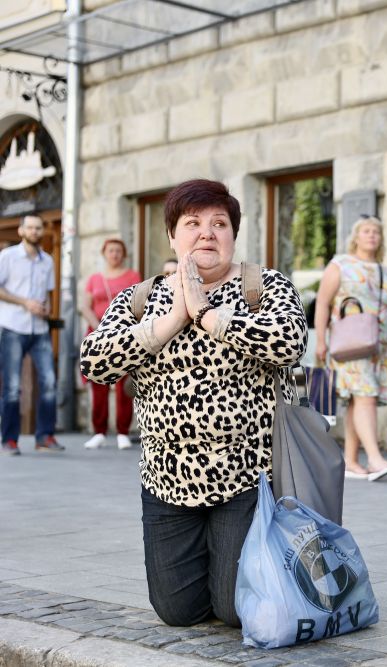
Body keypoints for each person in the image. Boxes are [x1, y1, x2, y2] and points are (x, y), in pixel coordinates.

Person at [80, 179, 307, 627]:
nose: (207, 232)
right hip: (166, 480)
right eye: (193, 223)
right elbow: (94, 362)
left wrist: (208, 315)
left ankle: (229, 568)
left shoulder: (263, 286)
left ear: (233, 235)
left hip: (248, 477)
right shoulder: (140, 299)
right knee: (177, 612)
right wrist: (173, 318)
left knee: (235, 609)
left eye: (219, 223)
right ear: (172, 236)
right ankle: (214, 561)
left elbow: (289, 342)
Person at [314, 216, 387, 482]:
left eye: (376, 231)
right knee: (366, 397)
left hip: (379, 346)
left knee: (358, 400)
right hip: (350, 344)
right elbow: (322, 303)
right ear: (356, 237)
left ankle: (351, 462)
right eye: (366, 231)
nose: (372, 235)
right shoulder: (341, 265)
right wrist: (320, 340)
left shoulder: (385, 271)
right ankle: (375, 458)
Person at [0, 215, 63, 455]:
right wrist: (24, 302)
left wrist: (45, 309)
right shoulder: (7, 256)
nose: (34, 231)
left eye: (38, 228)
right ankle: (9, 440)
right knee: (12, 386)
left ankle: (45, 437)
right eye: (30, 228)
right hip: (13, 326)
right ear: (21, 231)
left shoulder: (47, 260)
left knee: (49, 382)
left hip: (40, 329)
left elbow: (47, 293)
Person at [80, 238, 142, 450]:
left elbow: (138, 304)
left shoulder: (133, 276)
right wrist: (99, 327)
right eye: (111, 250)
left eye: (118, 251)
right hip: (98, 334)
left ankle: (123, 432)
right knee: (98, 382)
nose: (114, 254)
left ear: (123, 254)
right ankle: (99, 432)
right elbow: (85, 306)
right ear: (104, 253)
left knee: (123, 384)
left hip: (123, 334)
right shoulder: (95, 279)